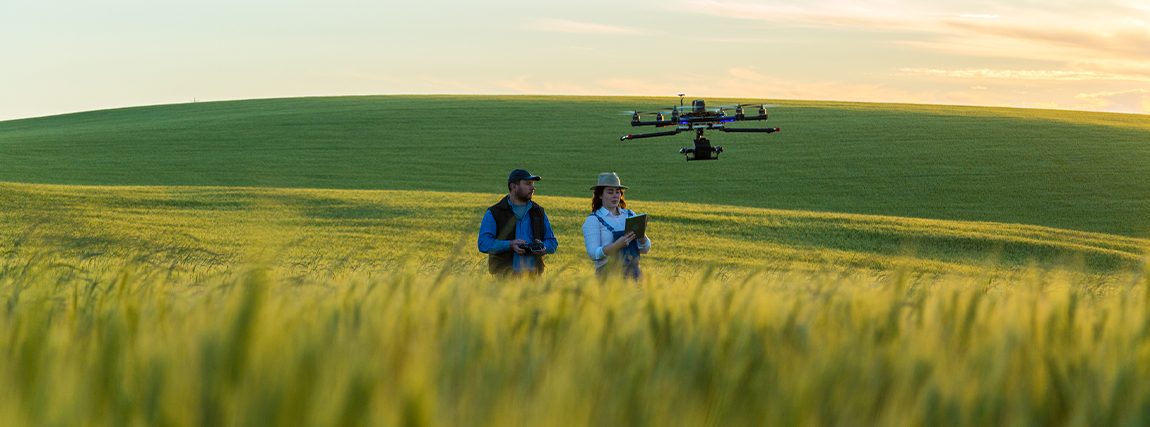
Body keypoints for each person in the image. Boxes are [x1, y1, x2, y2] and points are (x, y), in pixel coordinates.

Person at [477, 169, 558, 277]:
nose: (533, 188)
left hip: (534, 279)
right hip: (504, 278)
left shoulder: (538, 212)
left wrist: (542, 247)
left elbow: (553, 243)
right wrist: (509, 245)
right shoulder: (494, 213)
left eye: (533, 184)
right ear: (514, 187)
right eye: (528, 184)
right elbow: (483, 244)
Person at [582, 172, 651, 280]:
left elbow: (645, 249)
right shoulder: (594, 220)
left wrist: (641, 233)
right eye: (610, 192)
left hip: (635, 275)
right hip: (608, 276)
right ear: (600, 195)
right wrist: (617, 245)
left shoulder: (630, 215)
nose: (615, 195)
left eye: (617, 192)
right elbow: (593, 253)